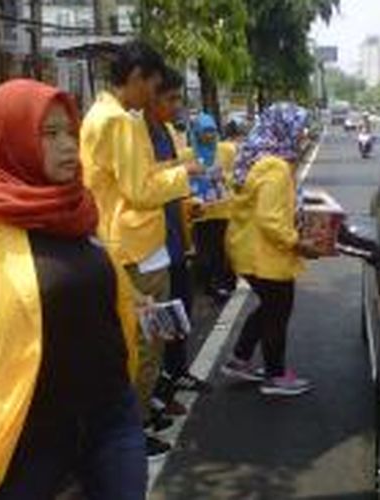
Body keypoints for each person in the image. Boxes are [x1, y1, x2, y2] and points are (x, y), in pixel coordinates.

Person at [0, 80, 145, 499]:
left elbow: (89, 280)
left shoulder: (77, 206)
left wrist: (132, 303)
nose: (69, 146)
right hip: (26, 429)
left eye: (70, 132)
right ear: (12, 138)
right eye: (49, 134)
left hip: (111, 414)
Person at [80, 40, 202, 459]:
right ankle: (131, 432)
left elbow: (130, 179)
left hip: (120, 241)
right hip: (137, 246)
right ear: (135, 79)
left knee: (135, 344)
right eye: (152, 86)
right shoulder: (121, 121)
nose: (153, 95)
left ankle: (131, 425)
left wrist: (172, 167)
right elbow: (140, 189)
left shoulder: (100, 114)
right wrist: (183, 175)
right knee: (145, 347)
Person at [220, 102, 319, 397]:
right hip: (266, 256)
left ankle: (240, 358)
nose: (303, 136)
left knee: (269, 308)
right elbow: (270, 220)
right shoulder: (275, 168)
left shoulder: (257, 158)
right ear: (284, 129)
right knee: (277, 311)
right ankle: (276, 375)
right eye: (300, 129)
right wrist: (298, 243)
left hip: (249, 250)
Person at [144, 67, 212, 415]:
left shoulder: (167, 131)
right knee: (158, 323)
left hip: (174, 236)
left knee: (181, 309)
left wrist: (190, 201)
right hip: (151, 246)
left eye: (177, 99)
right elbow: (146, 185)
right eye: (169, 98)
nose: (175, 106)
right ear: (149, 95)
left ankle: (177, 372)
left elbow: (172, 179)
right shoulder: (138, 132)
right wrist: (183, 173)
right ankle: (157, 390)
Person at [189, 113, 235, 302]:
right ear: (196, 133)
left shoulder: (226, 150)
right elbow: (182, 179)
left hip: (223, 209)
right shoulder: (187, 154)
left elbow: (235, 174)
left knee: (224, 249)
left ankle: (225, 284)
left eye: (213, 131)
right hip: (200, 212)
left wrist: (223, 176)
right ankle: (211, 287)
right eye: (205, 131)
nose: (210, 135)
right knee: (205, 251)